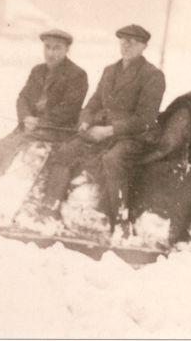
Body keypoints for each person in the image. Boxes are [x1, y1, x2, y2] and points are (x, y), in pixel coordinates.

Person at [35, 24, 166, 235]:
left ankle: (119, 220)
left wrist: (109, 131)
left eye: (132, 42)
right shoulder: (110, 70)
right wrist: (85, 121)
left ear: (144, 46)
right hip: (100, 131)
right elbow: (93, 103)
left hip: (133, 137)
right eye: (123, 41)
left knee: (112, 160)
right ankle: (49, 211)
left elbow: (145, 119)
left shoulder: (152, 75)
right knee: (65, 151)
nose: (126, 45)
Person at [0, 29, 88, 195]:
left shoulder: (77, 75)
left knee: (24, 156)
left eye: (57, 48)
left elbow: (69, 109)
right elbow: (23, 98)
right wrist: (26, 117)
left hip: (56, 130)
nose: (51, 53)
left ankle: (10, 200)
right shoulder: (38, 71)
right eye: (47, 47)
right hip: (31, 127)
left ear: (66, 50)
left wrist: (39, 122)